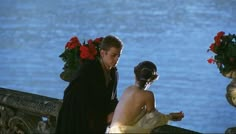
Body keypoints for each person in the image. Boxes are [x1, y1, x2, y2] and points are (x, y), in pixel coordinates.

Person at [55, 35, 123, 133]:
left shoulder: (114, 73)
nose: (117, 59)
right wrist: (103, 119)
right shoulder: (89, 70)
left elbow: (111, 98)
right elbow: (81, 103)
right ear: (103, 53)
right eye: (113, 55)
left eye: (118, 55)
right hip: (77, 122)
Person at [108, 61, 184, 133]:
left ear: (135, 75)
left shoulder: (128, 89)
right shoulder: (148, 95)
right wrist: (170, 116)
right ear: (152, 79)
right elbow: (154, 118)